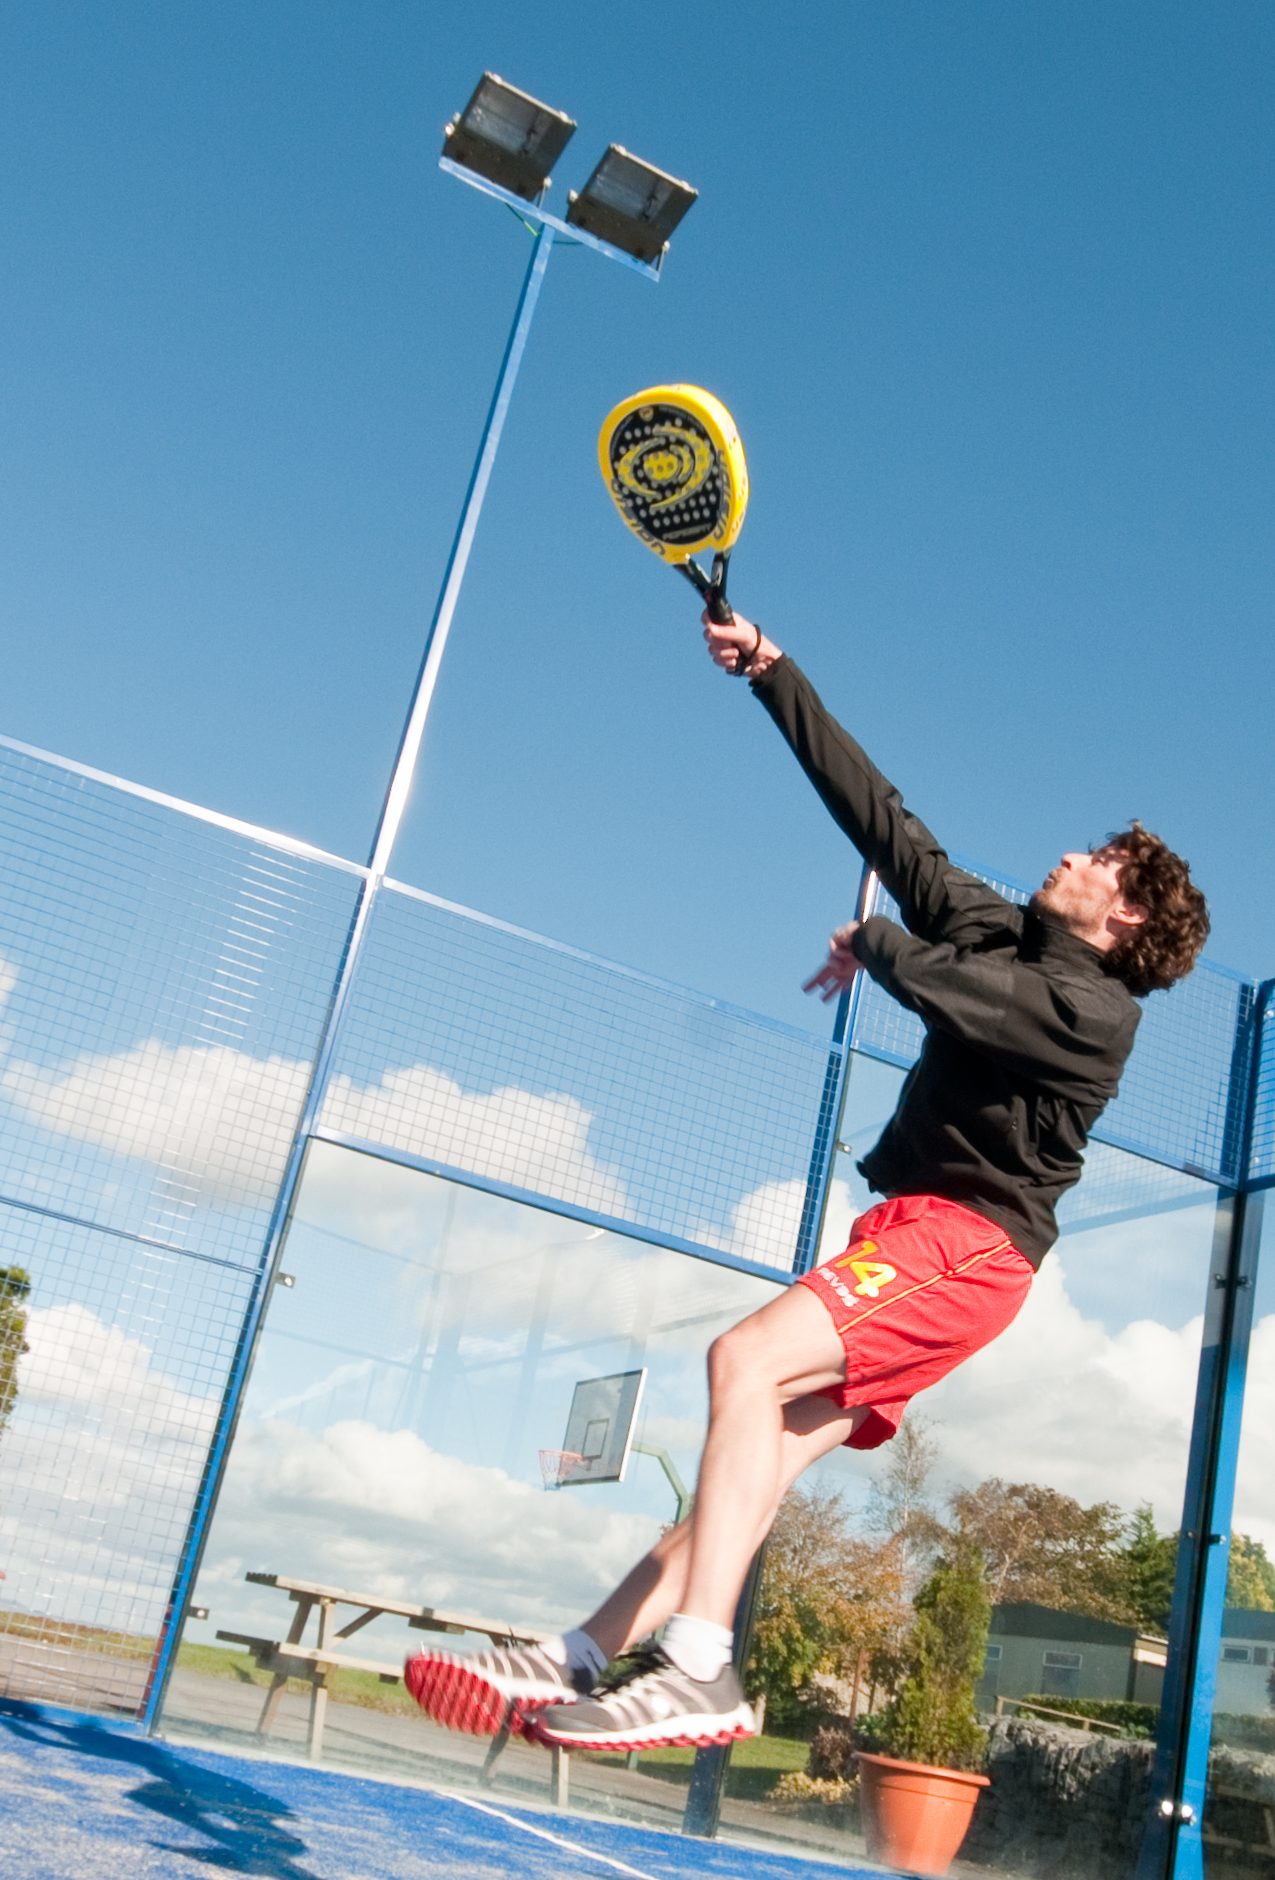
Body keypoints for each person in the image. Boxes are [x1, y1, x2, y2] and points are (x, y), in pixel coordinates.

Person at [403, 600, 1208, 1753]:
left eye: (1099, 858)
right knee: (754, 1455)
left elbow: (955, 996)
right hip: (914, 1239)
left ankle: (696, 1665)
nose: (1071, 854)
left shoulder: (1095, 1010)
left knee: (742, 1356)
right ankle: (579, 1652)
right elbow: (889, 823)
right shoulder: (998, 930)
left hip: (968, 1251)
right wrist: (771, 672)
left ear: (1123, 914)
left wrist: (873, 944)